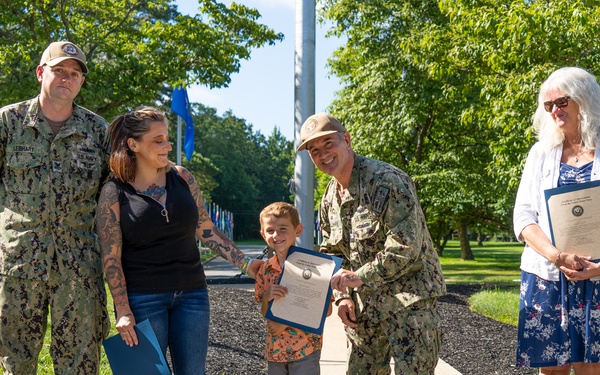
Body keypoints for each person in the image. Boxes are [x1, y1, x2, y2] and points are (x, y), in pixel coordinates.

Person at [96, 106, 261, 375]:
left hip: (192, 296)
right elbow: (111, 258)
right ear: (133, 144)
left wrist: (246, 264)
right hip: (143, 299)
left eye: (167, 138)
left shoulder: (183, 177)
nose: (168, 146)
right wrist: (123, 309)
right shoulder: (113, 192)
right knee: (147, 374)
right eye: (158, 140)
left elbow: (206, 228)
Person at [297, 113, 446, 374]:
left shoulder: (386, 180)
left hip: (409, 301)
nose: (322, 154)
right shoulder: (329, 199)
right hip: (364, 309)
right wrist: (342, 297)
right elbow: (332, 255)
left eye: (328, 144)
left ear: (346, 139)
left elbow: (405, 246)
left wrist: (358, 277)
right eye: (314, 150)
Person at [0, 41, 110, 374]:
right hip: (19, 266)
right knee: (16, 363)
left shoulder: (97, 130)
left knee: (78, 365)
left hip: (78, 269)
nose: (67, 78)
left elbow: (110, 197)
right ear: (40, 73)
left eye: (75, 73)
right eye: (59, 70)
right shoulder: (8, 122)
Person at [513, 66, 600, 374]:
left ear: (584, 99)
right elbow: (523, 216)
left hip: (597, 279)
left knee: (592, 369)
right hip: (546, 276)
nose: (554, 110)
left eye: (561, 101)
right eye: (548, 105)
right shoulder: (541, 153)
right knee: (552, 370)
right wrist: (557, 256)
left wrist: (597, 269)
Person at [254, 202, 331, 375]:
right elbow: (265, 313)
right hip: (274, 352)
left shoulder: (314, 267)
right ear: (262, 234)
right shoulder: (265, 269)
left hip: (305, 350)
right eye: (270, 230)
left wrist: (285, 322)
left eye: (283, 228)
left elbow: (326, 310)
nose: (276, 235)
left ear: (298, 230)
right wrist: (266, 297)